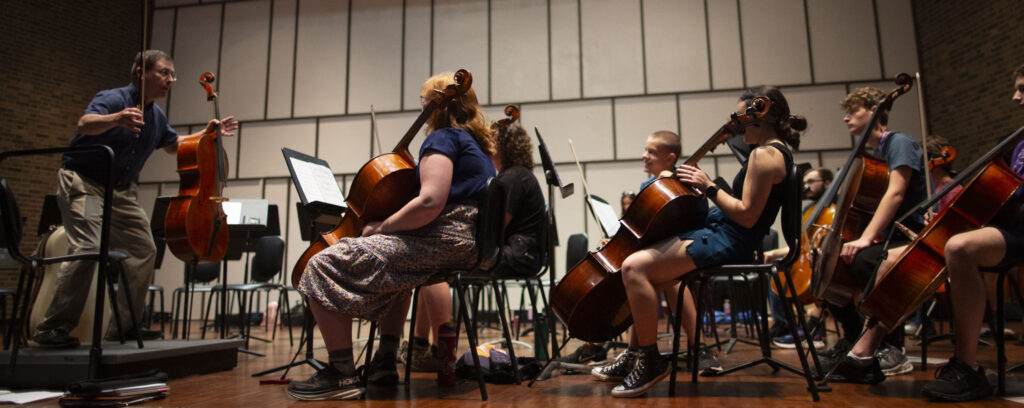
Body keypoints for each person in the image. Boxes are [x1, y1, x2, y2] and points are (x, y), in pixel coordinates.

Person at [286, 71, 496, 401]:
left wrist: (382, 227)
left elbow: (429, 201)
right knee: (397, 272)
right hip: (461, 244)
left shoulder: (442, 139)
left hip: (440, 240)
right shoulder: (476, 146)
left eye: (424, 100)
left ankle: (341, 373)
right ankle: (385, 360)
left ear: (436, 105)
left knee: (321, 263)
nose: (422, 105)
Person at [32, 50, 239, 349]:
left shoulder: (156, 115)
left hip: (121, 191)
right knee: (89, 246)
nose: (170, 80)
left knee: (144, 249)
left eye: (172, 74)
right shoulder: (114, 99)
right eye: (164, 73)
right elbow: (84, 124)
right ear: (141, 73)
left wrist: (206, 134)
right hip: (85, 183)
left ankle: (123, 329)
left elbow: (174, 145)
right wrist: (115, 119)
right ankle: (53, 328)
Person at [609, 87, 805, 397]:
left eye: (742, 119)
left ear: (759, 119)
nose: (738, 127)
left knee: (634, 268)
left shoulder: (765, 155)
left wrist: (709, 186)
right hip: (725, 231)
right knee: (649, 272)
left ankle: (649, 361)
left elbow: (747, 216)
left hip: (732, 238)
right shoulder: (773, 151)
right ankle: (636, 356)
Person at [399, 122, 546, 373]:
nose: (486, 146)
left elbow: (496, 226)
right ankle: (420, 346)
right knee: (433, 268)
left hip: (517, 254)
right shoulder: (518, 175)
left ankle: (437, 351)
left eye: (491, 142)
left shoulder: (512, 178)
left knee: (437, 266)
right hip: (523, 253)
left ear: (501, 146)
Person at [919, 64, 1024, 401]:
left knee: (960, 247)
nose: (1015, 96)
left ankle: (966, 366)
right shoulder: (1020, 141)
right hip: (1013, 229)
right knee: (954, 246)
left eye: (1022, 88)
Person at [580, 132, 719, 374]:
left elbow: (698, 219)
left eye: (652, 152)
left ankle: (699, 348)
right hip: (659, 254)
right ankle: (636, 354)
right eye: (646, 150)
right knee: (637, 273)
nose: (645, 156)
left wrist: (675, 181)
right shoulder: (647, 186)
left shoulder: (688, 182)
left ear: (670, 158)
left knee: (669, 280)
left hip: (689, 250)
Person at [821, 86, 930, 382]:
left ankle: (892, 349)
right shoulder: (876, 155)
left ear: (873, 111)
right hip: (890, 236)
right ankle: (853, 337)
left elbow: (895, 194)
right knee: (832, 263)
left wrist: (866, 237)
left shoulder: (899, 142)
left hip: (910, 235)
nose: (845, 119)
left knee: (864, 259)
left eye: (852, 111)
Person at [765, 167, 833, 348]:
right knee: (776, 273)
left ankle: (812, 328)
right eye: (805, 183)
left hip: (826, 260)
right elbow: (802, 245)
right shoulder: (809, 210)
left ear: (827, 183)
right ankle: (785, 326)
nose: (806, 186)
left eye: (811, 182)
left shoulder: (835, 209)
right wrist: (773, 253)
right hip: (807, 257)